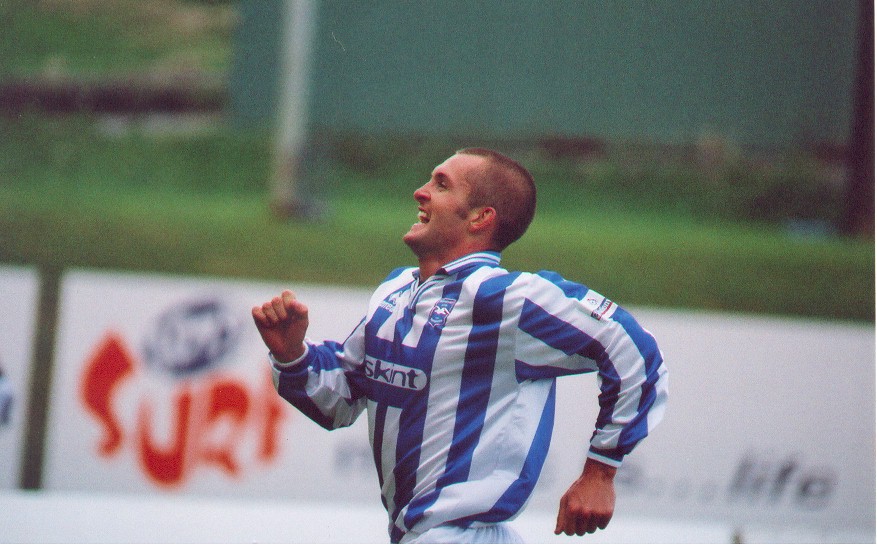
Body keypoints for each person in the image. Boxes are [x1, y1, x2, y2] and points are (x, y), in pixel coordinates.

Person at [252, 148, 668, 544]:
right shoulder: (396, 291)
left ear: (480, 218)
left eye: (442, 184)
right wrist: (292, 355)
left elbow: (633, 349)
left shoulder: (504, 297)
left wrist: (601, 471)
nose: (421, 191)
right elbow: (340, 400)